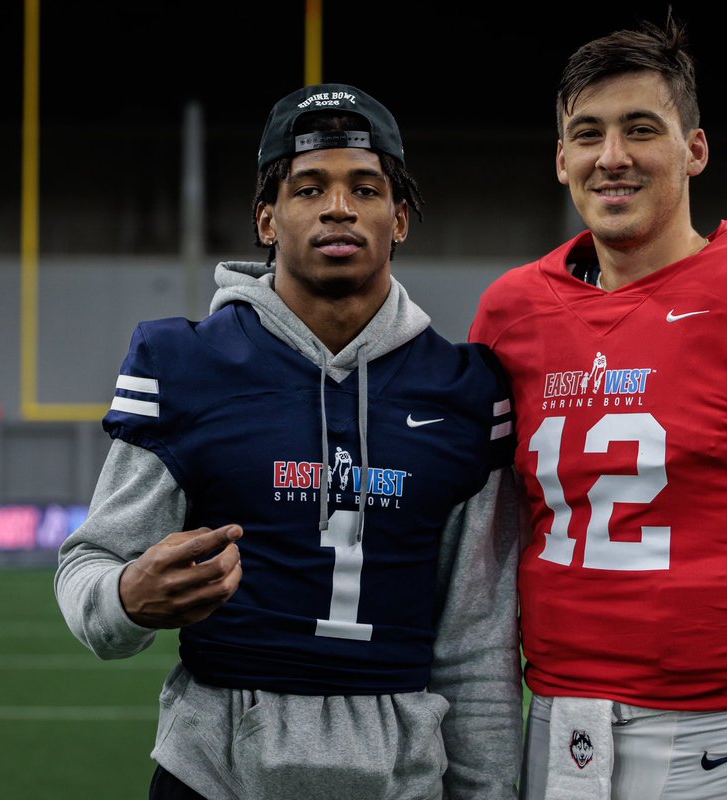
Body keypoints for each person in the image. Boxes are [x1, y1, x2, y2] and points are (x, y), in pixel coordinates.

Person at [468, 14, 727, 800]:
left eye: (641, 129)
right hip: (553, 734)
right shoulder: (511, 312)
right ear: (560, 159)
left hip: (723, 744)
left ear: (693, 149)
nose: (613, 157)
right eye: (588, 134)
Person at [55, 82, 523, 800]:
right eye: (309, 188)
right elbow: (88, 566)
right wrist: (124, 596)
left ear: (398, 218)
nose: (338, 206)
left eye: (365, 188)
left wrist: (486, 792)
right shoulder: (187, 366)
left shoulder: (460, 391)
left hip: (399, 781)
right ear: (266, 220)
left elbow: (475, 644)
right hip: (215, 775)